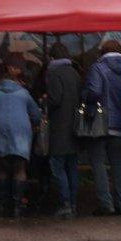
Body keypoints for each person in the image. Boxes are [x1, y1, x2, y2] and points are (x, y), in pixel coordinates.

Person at [0, 57, 42, 220]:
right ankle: (16, 208)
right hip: (21, 129)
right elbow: (36, 116)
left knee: (2, 167)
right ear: (16, 81)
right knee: (19, 168)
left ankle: (2, 207)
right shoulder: (24, 93)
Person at [83, 38, 121, 215]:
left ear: (103, 51)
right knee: (117, 163)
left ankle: (106, 204)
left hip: (99, 121)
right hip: (118, 121)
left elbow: (94, 92)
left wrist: (83, 94)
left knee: (98, 162)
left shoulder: (98, 67)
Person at [43, 54, 84, 219]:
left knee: (57, 167)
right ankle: (73, 204)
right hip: (74, 127)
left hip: (59, 128)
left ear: (52, 58)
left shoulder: (54, 74)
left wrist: (45, 102)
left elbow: (55, 99)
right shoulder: (75, 73)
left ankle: (65, 203)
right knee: (72, 168)